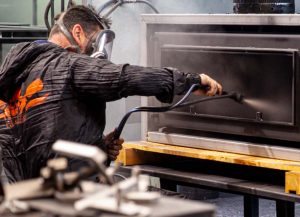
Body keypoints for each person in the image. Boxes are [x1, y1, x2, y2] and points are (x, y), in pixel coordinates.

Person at [0, 5, 222, 182]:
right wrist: (191, 81)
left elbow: (42, 139)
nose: (97, 53)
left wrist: (98, 149)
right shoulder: (68, 64)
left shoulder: (15, 69)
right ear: (78, 32)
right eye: (95, 41)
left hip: (21, 199)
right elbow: (124, 77)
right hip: (62, 200)